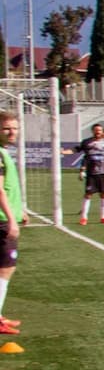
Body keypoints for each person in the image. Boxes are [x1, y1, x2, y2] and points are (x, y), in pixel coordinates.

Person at [0, 113, 24, 335]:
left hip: (6, 217)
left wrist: (20, 210)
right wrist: (10, 219)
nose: (12, 132)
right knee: (6, 267)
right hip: (1, 221)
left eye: (15, 128)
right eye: (7, 128)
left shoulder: (4, 152)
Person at [73, 123, 104, 226]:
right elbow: (77, 149)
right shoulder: (86, 142)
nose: (98, 132)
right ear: (93, 131)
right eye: (96, 130)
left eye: (100, 130)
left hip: (103, 172)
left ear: (102, 132)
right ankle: (84, 218)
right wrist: (64, 152)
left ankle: (103, 217)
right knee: (88, 194)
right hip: (91, 173)